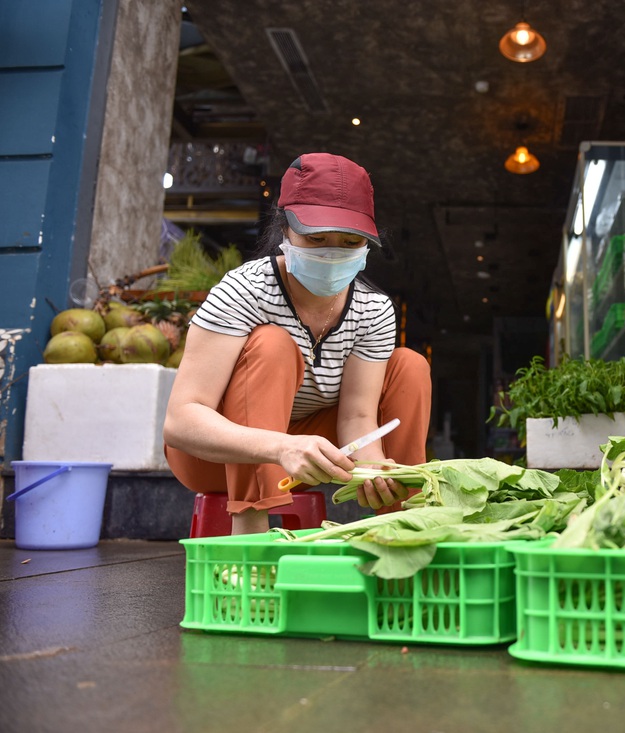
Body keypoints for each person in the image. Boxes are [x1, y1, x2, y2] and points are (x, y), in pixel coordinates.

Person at [163, 152, 431, 535]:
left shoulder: (373, 310)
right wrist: (277, 447)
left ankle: (401, 531)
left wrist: (373, 467)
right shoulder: (247, 290)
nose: (332, 251)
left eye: (350, 240)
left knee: (409, 366)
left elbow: (358, 418)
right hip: (211, 459)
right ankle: (250, 544)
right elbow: (181, 421)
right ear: (284, 228)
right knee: (272, 344)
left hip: (306, 463)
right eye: (316, 237)